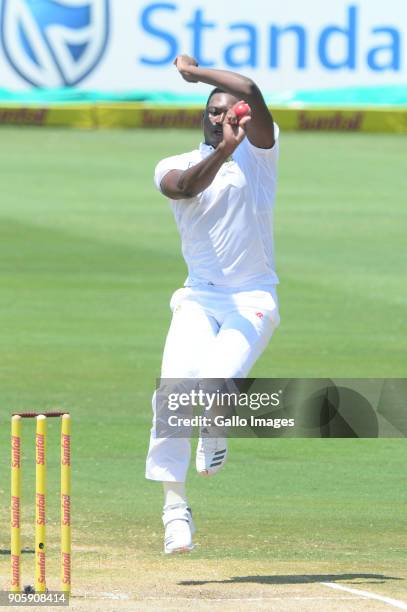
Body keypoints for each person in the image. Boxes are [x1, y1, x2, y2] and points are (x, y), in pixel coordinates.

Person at [145, 55, 281, 554]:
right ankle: (174, 510)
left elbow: (248, 85)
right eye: (213, 110)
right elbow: (184, 188)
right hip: (199, 296)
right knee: (172, 398)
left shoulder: (261, 156)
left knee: (215, 382)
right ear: (203, 118)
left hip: (253, 296)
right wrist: (221, 151)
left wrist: (198, 73)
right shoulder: (174, 164)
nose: (223, 115)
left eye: (232, 111)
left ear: (244, 116)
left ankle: (216, 424)